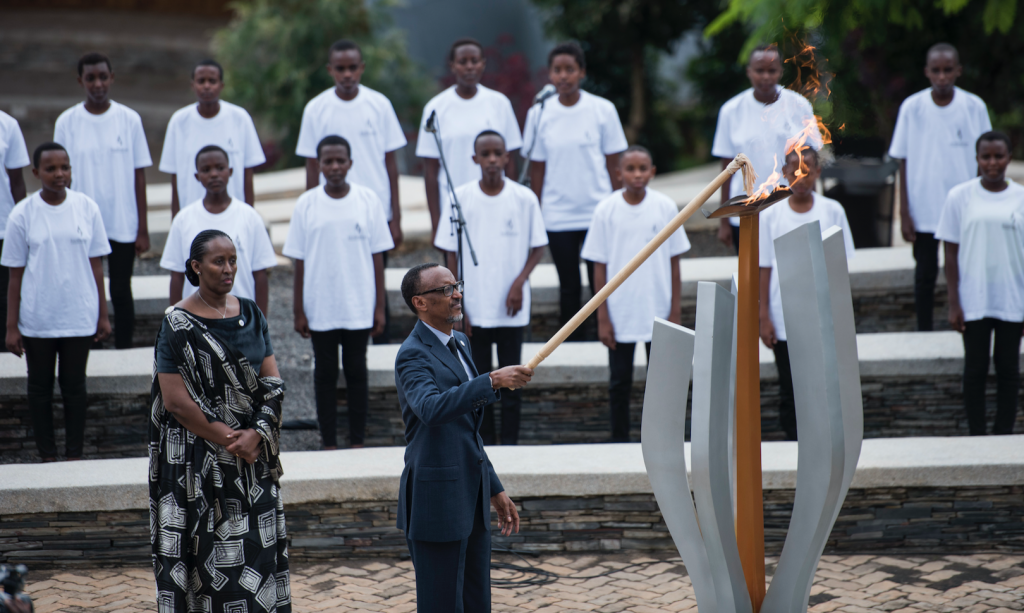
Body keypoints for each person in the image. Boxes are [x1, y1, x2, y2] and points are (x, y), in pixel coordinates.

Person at [149, 229, 290, 613]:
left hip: (251, 461)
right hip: (200, 464)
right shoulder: (177, 324)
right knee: (213, 568)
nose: (228, 269)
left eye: (232, 260)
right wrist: (232, 438)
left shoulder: (251, 312)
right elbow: (177, 402)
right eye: (218, 261)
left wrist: (257, 434)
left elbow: (272, 382)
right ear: (196, 267)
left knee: (259, 561)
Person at [396, 262, 532, 612]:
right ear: (420, 303)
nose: (456, 294)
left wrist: (494, 487)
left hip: (471, 495)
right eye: (444, 289)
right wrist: (490, 381)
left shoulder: (461, 342)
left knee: (476, 601)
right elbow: (430, 409)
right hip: (436, 499)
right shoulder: (412, 354)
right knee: (442, 604)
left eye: (456, 285)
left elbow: (467, 432)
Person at [434, 130, 547, 445]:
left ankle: (510, 443)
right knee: (479, 383)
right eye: (486, 154)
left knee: (514, 380)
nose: (493, 159)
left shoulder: (524, 198)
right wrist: (458, 303)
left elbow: (538, 245)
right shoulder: (461, 197)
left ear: (508, 156)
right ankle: (482, 444)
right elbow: (449, 253)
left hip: (511, 308)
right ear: (475, 159)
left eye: (498, 153)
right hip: (475, 309)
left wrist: (520, 281)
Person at [2, 143, 112, 462]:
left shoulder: (86, 207)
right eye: (50, 169)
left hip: (79, 315)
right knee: (39, 390)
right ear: (36, 173)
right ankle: (47, 456)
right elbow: (15, 276)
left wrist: (103, 315)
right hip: (38, 318)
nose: (59, 174)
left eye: (65, 167)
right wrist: (12, 327)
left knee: (74, 388)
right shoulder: (22, 214)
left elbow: (96, 265)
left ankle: (73, 455)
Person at [283, 136, 392, 449]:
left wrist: (380, 308)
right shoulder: (307, 204)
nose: (334, 167)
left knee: (357, 371)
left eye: (340, 160)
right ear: (318, 165)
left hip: (358, 305)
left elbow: (377, 260)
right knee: (325, 373)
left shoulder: (367, 200)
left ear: (350, 163)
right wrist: (299, 310)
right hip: (321, 307)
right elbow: (298, 261)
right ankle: (328, 441)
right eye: (327, 161)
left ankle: (357, 441)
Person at [296, 39, 407, 342]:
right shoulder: (316, 108)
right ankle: (336, 340)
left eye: (352, 68)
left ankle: (378, 338)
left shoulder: (379, 104)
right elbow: (310, 166)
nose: (347, 74)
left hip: (373, 212)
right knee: (332, 274)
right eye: (340, 69)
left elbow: (391, 165)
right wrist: (310, 210)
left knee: (374, 277)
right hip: (328, 210)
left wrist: (395, 217)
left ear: (362, 68)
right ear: (330, 70)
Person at [581, 145, 689, 442]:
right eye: (630, 168)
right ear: (618, 174)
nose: (637, 174)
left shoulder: (665, 206)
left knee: (662, 382)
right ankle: (620, 439)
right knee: (619, 382)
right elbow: (598, 267)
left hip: (659, 307)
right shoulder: (606, 210)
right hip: (620, 311)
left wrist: (675, 310)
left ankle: (662, 439)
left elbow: (674, 263)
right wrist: (602, 316)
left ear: (653, 172)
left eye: (643, 168)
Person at [523, 41, 628, 336]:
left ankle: (605, 333)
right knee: (568, 283)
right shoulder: (539, 113)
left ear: (582, 72)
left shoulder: (602, 109)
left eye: (570, 69)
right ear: (549, 75)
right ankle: (570, 339)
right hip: (557, 214)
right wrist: (538, 211)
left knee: (601, 281)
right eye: (557, 70)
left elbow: (613, 164)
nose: (563, 76)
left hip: (597, 211)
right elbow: (537, 168)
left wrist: (618, 204)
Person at [889, 43, 992, 331]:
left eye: (948, 70)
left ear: (958, 71)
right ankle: (924, 330)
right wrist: (905, 211)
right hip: (924, 207)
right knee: (925, 273)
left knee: (965, 268)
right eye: (936, 70)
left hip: (965, 206)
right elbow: (903, 160)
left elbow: (987, 157)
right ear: (927, 72)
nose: (942, 76)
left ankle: (967, 322)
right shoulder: (912, 108)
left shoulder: (974, 107)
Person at [54, 52, 152, 349]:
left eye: (102, 77)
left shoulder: (129, 119)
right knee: (85, 290)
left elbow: (139, 177)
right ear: (80, 80)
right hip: (82, 224)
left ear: (112, 78)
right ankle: (91, 347)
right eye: (90, 78)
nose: (97, 84)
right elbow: (61, 177)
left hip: (122, 221)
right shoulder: (67, 122)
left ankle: (124, 348)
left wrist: (143, 229)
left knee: (121, 290)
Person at [758, 147, 854, 440]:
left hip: (821, 314)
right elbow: (763, 266)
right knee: (790, 386)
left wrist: (838, 314)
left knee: (821, 383)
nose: (801, 175)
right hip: (783, 314)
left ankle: (822, 442)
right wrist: (763, 316)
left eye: (807, 169)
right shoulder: (771, 214)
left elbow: (841, 265)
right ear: (784, 173)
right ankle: (794, 443)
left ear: (817, 172)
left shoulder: (832, 211)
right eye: (794, 169)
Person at [935, 131, 1024, 436]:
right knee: (974, 371)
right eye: (986, 157)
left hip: (1013, 299)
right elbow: (950, 252)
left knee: (1009, 371)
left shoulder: (1021, 197)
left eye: (999, 156)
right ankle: (977, 433)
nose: (992, 163)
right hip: (973, 300)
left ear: (1009, 158)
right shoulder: (960, 196)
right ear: (976, 159)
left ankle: (1002, 432)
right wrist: (955, 303)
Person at [711, 44, 819, 252]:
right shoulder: (731, 111)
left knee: (791, 271)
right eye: (760, 70)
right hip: (746, 210)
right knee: (751, 276)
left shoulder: (799, 105)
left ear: (780, 71)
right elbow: (726, 170)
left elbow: (810, 163)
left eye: (772, 70)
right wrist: (724, 220)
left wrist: (812, 208)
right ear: (749, 72)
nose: (766, 76)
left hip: (789, 206)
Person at [416, 38, 522, 241]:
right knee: (457, 271)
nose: (469, 66)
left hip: (495, 203)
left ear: (483, 64)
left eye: (474, 61)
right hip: (454, 207)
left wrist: (511, 204)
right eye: (463, 61)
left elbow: (510, 163)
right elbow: (430, 170)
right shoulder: (435, 108)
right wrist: (436, 221)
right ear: (452, 66)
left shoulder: (499, 103)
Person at [159, 145, 277, 315]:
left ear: (230, 171)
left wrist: (260, 323)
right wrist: (176, 319)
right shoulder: (183, 219)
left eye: (220, 168)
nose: (214, 174)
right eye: (206, 169)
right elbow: (177, 276)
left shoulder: (250, 217)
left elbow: (260, 275)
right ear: (197, 176)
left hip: (241, 318)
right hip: (196, 319)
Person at [159, 59, 265, 217]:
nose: (206, 86)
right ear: (193, 85)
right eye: (201, 81)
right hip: (193, 216)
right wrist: (176, 221)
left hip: (233, 215)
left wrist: (250, 216)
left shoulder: (240, 118)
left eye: (212, 81)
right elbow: (175, 178)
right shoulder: (179, 122)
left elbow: (248, 174)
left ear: (221, 85)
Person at [0, 110, 29, 343]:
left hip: (3, 229)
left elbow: (17, 182)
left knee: (3, 296)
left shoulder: (7, 125)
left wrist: (23, 228)